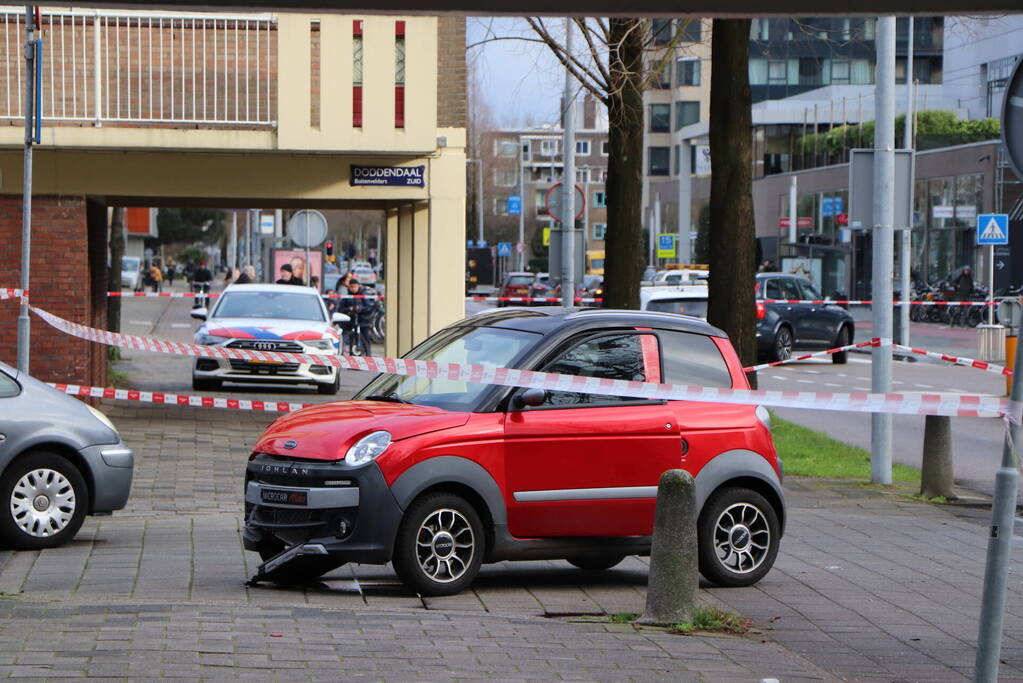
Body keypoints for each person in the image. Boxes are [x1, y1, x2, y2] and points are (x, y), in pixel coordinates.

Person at [340, 278, 376, 355]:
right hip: (350, 321)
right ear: (349, 287)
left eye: (355, 287)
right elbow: (341, 309)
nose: (353, 289)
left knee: (366, 338)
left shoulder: (364, 295)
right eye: (351, 287)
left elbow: (369, 306)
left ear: (358, 286)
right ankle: (349, 354)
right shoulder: (347, 297)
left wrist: (360, 308)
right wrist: (349, 309)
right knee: (348, 338)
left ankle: (368, 355)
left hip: (364, 321)